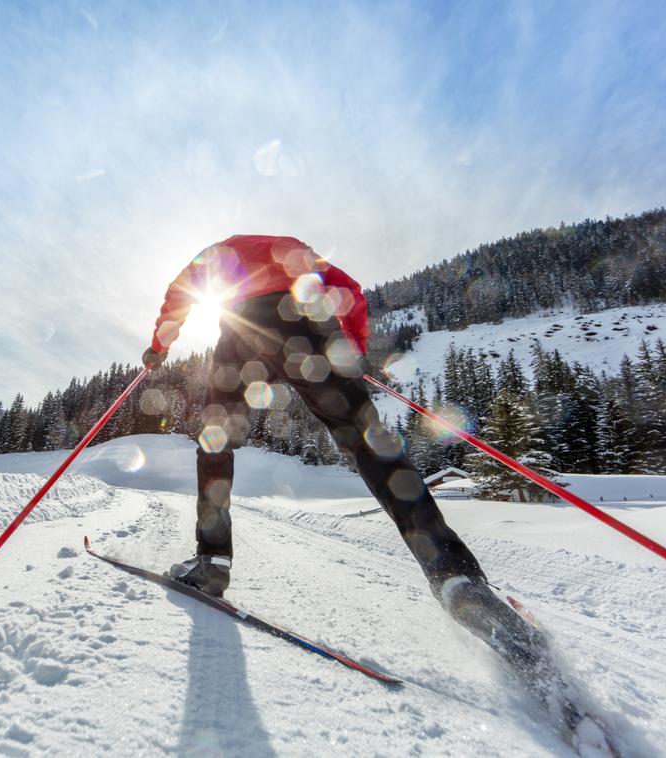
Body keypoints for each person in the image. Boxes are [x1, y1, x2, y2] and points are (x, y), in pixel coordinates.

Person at [143, 234, 551, 685]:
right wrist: (351, 349)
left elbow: (181, 291)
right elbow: (350, 290)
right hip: (311, 332)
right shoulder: (294, 248)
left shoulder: (223, 249)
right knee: (369, 443)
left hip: (241, 333)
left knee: (216, 442)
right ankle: (455, 576)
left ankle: (212, 561)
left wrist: (160, 347)